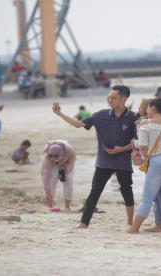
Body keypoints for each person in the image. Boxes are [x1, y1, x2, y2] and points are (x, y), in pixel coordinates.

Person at [52, 85, 137, 228]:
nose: (110, 100)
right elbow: (78, 124)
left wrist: (121, 149)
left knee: (126, 191)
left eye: (114, 97)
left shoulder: (133, 118)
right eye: (109, 97)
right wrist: (60, 114)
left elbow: (137, 142)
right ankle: (84, 223)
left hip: (123, 162)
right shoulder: (100, 115)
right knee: (95, 192)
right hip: (103, 162)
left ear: (124, 98)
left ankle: (130, 223)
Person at [127, 98, 161, 234]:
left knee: (147, 198)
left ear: (154, 108)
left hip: (158, 162)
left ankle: (134, 228)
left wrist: (136, 145)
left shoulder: (146, 125)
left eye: (148, 107)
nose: (146, 110)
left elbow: (144, 149)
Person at [132, 98, 161, 232]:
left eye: (141, 107)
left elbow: (143, 144)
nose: (139, 109)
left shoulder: (143, 123)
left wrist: (134, 144)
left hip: (152, 161)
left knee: (158, 195)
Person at [41, 140, 76, 211]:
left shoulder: (70, 151)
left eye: (56, 157)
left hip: (67, 162)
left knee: (68, 179)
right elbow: (45, 176)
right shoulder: (46, 157)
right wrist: (47, 191)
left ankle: (67, 206)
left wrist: (63, 172)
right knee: (51, 180)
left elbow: (70, 167)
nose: (53, 158)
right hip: (52, 164)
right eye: (51, 156)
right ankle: (50, 206)